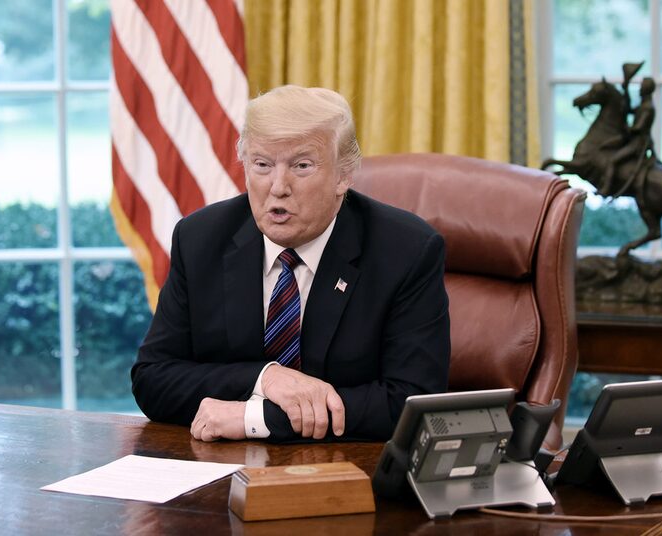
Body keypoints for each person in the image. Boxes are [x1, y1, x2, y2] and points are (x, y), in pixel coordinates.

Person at [131, 85, 451, 443]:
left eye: (301, 166)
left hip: (348, 477)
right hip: (221, 472)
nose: (278, 187)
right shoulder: (201, 239)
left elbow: (413, 402)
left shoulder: (406, 250)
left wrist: (257, 417)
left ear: (344, 175)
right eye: (262, 165)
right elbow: (153, 378)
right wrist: (265, 378)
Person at [598, 77, 658, 197]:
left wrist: (626, 129)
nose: (640, 89)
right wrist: (626, 89)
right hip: (634, 141)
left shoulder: (647, 108)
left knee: (613, 161)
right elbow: (628, 110)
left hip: (637, 144)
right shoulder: (643, 105)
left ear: (646, 89)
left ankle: (606, 189)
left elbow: (638, 128)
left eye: (641, 87)